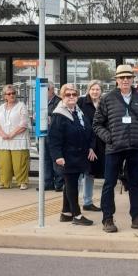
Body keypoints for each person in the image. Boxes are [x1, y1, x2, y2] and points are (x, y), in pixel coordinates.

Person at [93, 65, 138, 233]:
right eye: (122, 78)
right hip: (115, 147)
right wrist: (108, 137)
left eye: (128, 77)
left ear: (133, 79)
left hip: (136, 146)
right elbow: (97, 124)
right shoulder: (107, 99)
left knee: (135, 183)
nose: (125, 80)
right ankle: (108, 219)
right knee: (109, 183)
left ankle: (136, 217)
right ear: (117, 80)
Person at [49, 83, 95, 226]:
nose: (71, 97)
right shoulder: (59, 115)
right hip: (67, 157)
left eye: (74, 94)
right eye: (67, 95)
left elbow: (88, 129)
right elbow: (54, 138)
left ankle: (66, 212)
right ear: (62, 97)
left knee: (70, 184)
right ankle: (77, 215)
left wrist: (90, 147)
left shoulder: (77, 112)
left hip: (78, 155)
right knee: (72, 185)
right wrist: (58, 156)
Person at [0, 85, 30, 190]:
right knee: (4, 163)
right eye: (9, 94)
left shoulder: (21, 106)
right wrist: (3, 134)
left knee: (20, 163)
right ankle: (4, 183)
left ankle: (22, 182)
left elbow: (24, 123)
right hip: (3, 140)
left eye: (13, 93)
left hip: (19, 140)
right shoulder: (0, 108)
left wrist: (11, 134)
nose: (12, 95)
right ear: (5, 96)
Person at [77, 80, 104, 212]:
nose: (95, 92)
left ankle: (87, 201)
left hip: (98, 143)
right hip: (83, 142)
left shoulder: (103, 103)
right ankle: (72, 202)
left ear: (101, 91)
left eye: (97, 89)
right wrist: (89, 147)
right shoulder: (81, 102)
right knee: (78, 174)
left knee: (90, 173)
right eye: (92, 89)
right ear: (88, 90)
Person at [44, 81, 64, 192]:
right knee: (45, 160)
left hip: (54, 135)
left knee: (55, 160)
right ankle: (47, 183)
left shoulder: (58, 101)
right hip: (43, 135)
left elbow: (59, 116)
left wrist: (50, 118)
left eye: (46, 89)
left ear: (52, 90)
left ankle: (59, 183)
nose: (44, 92)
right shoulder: (41, 102)